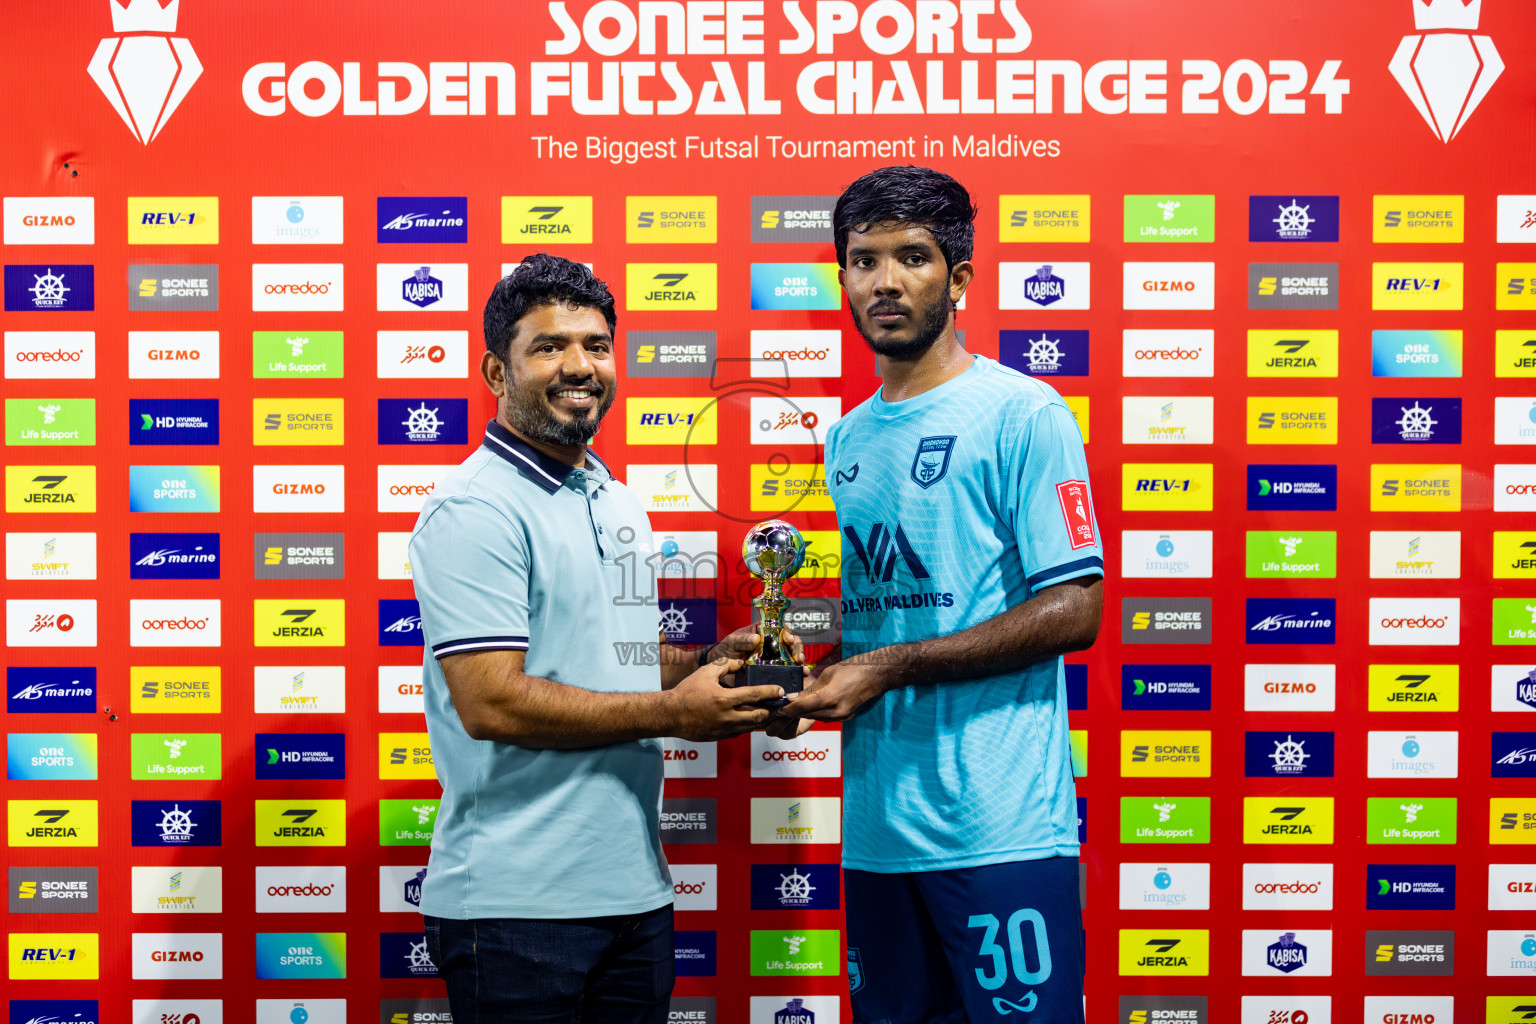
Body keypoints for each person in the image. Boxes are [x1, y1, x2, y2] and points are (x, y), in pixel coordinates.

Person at [409, 253, 793, 1024]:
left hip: (635, 894)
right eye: (549, 346)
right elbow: (491, 703)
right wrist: (674, 715)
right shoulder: (473, 509)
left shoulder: (615, 498)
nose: (579, 365)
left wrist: (713, 664)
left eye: (596, 344)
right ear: (496, 369)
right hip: (513, 909)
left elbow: (618, 658)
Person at [769, 166, 1103, 1024]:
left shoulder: (1023, 413)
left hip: (999, 829)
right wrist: (810, 683)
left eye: (911, 258)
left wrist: (889, 665)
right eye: (863, 259)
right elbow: (898, 612)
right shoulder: (844, 439)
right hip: (880, 837)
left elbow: (1077, 608)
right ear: (841, 277)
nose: (884, 281)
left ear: (957, 278)